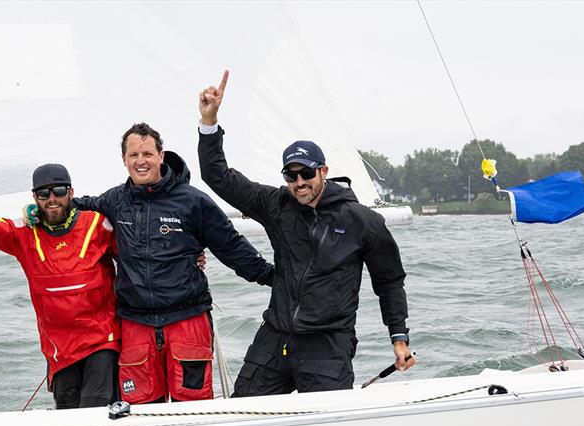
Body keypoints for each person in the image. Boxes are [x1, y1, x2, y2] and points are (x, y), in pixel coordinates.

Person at [197, 71, 415, 396]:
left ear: (323, 172)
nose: (299, 183)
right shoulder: (276, 205)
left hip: (328, 343)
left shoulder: (362, 221)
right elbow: (219, 177)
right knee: (240, 415)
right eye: (291, 175)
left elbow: (389, 282)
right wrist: (209, 123)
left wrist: (399, 339)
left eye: (306, 174)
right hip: (276, 336)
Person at [30, 123, 274, 404]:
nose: (140, 161)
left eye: (147, 153)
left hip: (187, 320)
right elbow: (71, 207)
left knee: (193, 409)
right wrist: (33, 211)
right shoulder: (114, 201)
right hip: (136, 325)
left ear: (161, 155)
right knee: (142, 412)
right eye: (133, 155)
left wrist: (271, 277)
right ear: (124, 160)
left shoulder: (193, 201)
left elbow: (232, 247)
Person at [0, 163, 120, 409]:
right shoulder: (24, 233)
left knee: (94, 415)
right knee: (68, 419)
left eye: (58, 190)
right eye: (44, 194)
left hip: (102, 341)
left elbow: (137, 254)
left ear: (71, 192)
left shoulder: (97, 225)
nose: (52, 199)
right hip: (60, 352)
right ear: (35, 198)